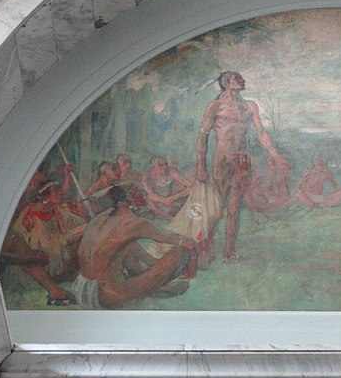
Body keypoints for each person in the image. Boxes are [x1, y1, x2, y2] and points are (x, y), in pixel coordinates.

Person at [196, 71, 291, 261]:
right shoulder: (215, 106)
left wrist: (276, 156)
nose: (243, 80)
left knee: (234, 207)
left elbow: (261, 133)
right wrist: (201, 166)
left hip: (242, 160)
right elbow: (202, 136)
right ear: (227, 83)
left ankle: (229, 252)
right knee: (217, 206)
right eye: (238, 79)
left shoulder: (250, 106)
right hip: (222, 159)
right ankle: (206, 249)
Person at [73, 186, 197, 308]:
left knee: (125, 244)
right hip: (106, 295)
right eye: (139, 193)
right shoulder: (135, 222)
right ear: (128, 199)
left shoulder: (98, 218)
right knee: (180, 252)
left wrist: (151, 262)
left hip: (81, 287)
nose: (144, 196)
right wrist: (192, 257)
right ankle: (153, 287)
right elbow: (183, 241)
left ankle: (149, 284)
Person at [1, 180, 86, 305]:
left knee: (86, 227)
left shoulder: (58, 210)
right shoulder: (29, 212)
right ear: (46, 196)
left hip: (56, 256)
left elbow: (76, 222)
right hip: (37, 256)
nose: (61, 193)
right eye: (56, 191)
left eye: (60, 190)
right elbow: (18, 236)